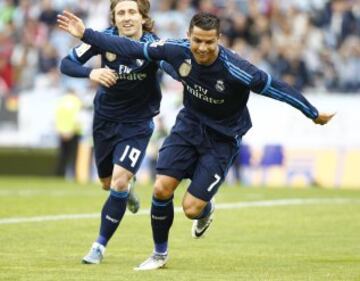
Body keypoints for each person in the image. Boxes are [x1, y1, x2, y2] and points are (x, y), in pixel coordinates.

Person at [57, 11, 335, 270]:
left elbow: (278, 88)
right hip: (188, 126)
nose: (202, 48)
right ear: (189, 36)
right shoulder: (176, 49)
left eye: (209, 43)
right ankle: (159, 254)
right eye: (197, 41)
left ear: (219, 40)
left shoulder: (238, 69)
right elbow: (131, 47)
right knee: (161, 189)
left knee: (191, 209)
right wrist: (86, 35)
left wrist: (312, 113)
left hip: (222, 138)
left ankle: (205, 207)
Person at [59, 0, 178, 265]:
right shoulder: (103, 39)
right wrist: (91, 73)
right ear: (114, 17)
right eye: (120, 13)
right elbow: (66, 64)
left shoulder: (153, 46)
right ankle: (128, 189)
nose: (126, 18)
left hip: (137, 123)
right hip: (105, 120)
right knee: (106, 182)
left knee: (118, 181)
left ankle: (98, 246)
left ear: (142, 16)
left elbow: (171, 66)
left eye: (131, 12)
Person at [54, 88, 82, 179]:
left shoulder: (61, 101)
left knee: (63, 155)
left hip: (62, 132)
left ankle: (59, 175)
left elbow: (57, 116)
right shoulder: (77, 101)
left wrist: (60, 130)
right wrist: (72, 130)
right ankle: (74, 176)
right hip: (73, 133)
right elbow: (77, 118)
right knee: (74, 156)